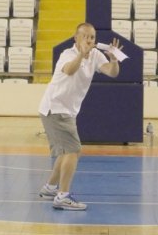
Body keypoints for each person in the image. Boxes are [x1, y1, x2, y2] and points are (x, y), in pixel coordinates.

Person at [37, 23, 121, 211]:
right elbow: (69, 70)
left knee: (65, 151)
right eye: (85, 36)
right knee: (73, 150)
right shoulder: (67, 54)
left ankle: (50, 188)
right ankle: (63, 196)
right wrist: (81, 55)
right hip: (55, 108)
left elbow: (112, 72)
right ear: (76, 38)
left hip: (67, 110)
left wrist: (114, 60)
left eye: (92, 37)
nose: (89, 40)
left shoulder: (97, 55)